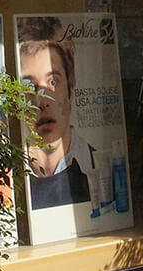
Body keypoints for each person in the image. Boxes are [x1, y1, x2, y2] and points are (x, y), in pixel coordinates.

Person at [17, 17, 93, 210]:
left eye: (53, 81)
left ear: (70, 91)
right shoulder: (6, 177)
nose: (42, 101)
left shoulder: (99, 167)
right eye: (28, 86)